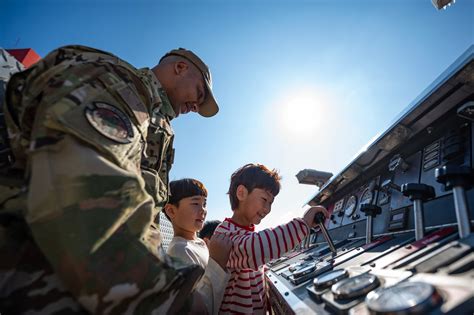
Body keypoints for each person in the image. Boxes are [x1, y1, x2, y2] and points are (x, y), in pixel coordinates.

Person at [0, 45, 219, 314]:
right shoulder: (116, 85)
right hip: (50, 286)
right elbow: (86, 201)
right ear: (180, 68)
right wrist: (170, 300)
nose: (196, 106)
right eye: (199, 93)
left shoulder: (148, 113)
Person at [214, 163, 329, 314]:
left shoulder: (246, 233)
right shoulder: (224, 233)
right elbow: (255, 249)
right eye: (264, 199)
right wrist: (304, 224)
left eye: (271, 203)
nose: (267, 209)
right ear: (241, 193)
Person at [164, 178, 231, 314]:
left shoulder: (199, 243)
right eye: (195, 203)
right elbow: (200, 308)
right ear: (171, 211)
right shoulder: (180, 250)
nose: (203, 210)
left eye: (204, 204)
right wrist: (218, 261)